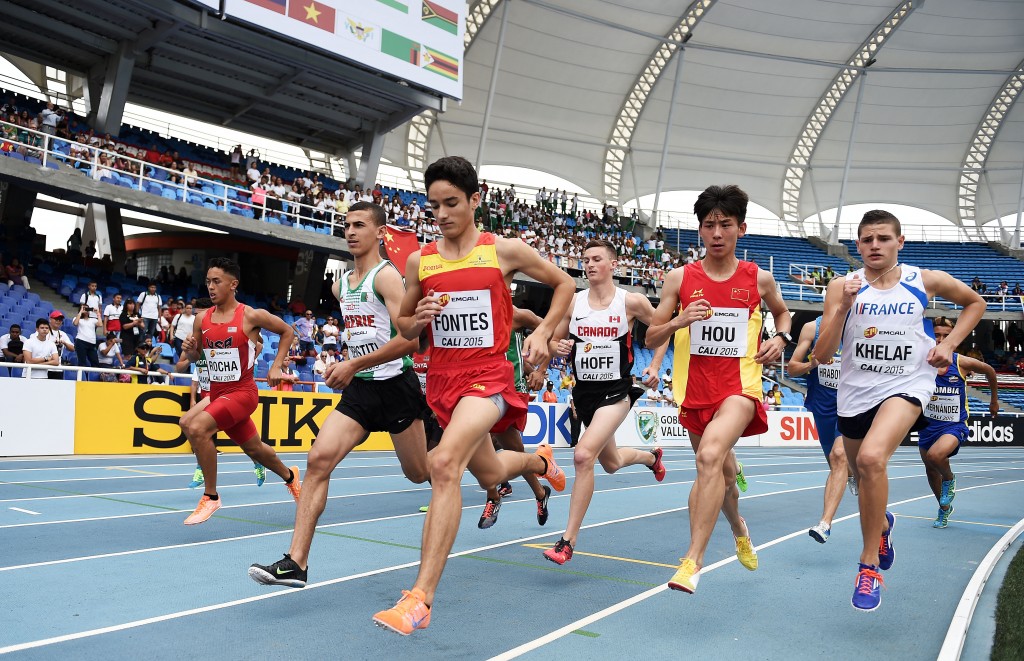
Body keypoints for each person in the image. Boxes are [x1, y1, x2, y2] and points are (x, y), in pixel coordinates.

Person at [373, 156, 575, 635]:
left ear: (475, 200)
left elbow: (565, 283)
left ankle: (420, 597)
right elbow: (403, 324)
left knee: (443, 465)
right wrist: (416, 315)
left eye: (451, 203)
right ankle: (537, 463)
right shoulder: (420, 260)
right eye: (433, 205)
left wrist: (544, 331)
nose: (441, 214)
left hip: (490, 381)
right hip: (444, 383)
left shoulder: (503, 251)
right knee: (489, 471)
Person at [249, 202, 434, 588]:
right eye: (346, 225)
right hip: (362, 392)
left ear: (380, 233)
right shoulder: (340, 284)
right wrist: (352, 365)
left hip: (397, 388)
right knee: (318, 460)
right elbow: (364, 329)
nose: (350, 232)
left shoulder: (387, 279)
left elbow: (409, 340)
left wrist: (352, 364)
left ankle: (480, 466)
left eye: (359, 225)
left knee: (420, 474)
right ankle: (296, 563)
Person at [814, 209, 985, 611]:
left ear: (899, 242)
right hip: (855, 392)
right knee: (860, 476)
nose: (875, 245)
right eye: (867, 239)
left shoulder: (922, 280)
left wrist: (949, 345)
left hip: (909, 383)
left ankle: (868, 567)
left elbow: (974, 304)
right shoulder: (842, 286)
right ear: (857, 246)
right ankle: (884, 524)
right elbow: (822, 355)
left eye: (883, 238)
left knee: (873, 460)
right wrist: (843, 307)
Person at [646, 184, 792, 594]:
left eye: (724, 225)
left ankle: (692, 561)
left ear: (740, 229)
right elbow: (651, 339)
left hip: (740, 388)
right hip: (694, 392)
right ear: (699, 231)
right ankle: (739, 527)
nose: (716, 233)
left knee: (709, 458)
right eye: (708, 225)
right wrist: (679, 320)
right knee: (722, 474)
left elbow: (783, 316)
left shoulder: (758, 279)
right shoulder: (680, 279)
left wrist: (781, 339)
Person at [541, 239, 668, 566]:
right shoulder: (573, 302)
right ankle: (651, 457)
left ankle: (567, 540)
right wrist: (557, 346)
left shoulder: (632, 301)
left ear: (614, 264)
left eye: (597, 258)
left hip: (617, 392)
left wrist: (653, 366)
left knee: (583, 455)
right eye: (585, 259)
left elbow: (662, 330)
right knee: (609, 463)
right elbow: (553, 336)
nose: (589, 264)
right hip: (584, 394)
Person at [177, 258, 301, 525]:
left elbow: (287, 331)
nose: (210, 287)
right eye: (208, 281)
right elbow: (199, 358)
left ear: (233, 284)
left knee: (197, 427)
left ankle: (210, 497)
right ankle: (291, 477)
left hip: (243, 392)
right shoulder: (201, 319)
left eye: (216, 281)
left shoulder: (250, 315)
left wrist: (277, 365)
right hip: (219, 393)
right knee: (255, 449)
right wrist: (191, 351)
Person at [479, 306, 556, 530]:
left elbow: (551, 332)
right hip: (481, 387)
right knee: (510, 450)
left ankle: (494, 496)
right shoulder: (471, 308)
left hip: (510, 391)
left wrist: (540, 371)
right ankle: (540, 493)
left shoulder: (516, 314)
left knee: (485, 441)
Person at [919, 317, 999, 529]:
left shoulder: (960, 362)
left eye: (946, 335)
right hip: (927, 425)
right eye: (937, 335)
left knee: (935, 456)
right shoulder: (920, 361)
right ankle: (944, 509)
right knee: (929, 470)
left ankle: (950, 478)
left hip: (954, 426)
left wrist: (993, 401)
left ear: (954, 337)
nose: (941, 339)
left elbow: (990, 371)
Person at [787, 316, 857, 544]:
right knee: (837, 463)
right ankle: (856, 479)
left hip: (853, 405)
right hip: (822, 407)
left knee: (839, 456)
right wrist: (812, 364)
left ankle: (825, 523)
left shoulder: (864, 326)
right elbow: (792, 368)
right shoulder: (812, 328)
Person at [72, 304, 101, 378]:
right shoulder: (78, 318)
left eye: (88, 309)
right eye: (85, 308)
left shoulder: (93, 320)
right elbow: (75, 323)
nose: (86, 310)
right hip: (81, 341)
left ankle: (95, 378)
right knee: (82, 362)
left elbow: (100, 324)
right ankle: (81, 378)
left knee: (95, 362)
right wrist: (81, 312)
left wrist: (97, 313)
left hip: (92, 343)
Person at [47, 311, 75, 380]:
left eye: (60, 320)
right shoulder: (44, 331)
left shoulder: (63, 334)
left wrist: (64, 343)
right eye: (56, 319)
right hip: (45, 367)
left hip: (57, 368)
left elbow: (72, 348)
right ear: (50, 319)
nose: (58, 321)